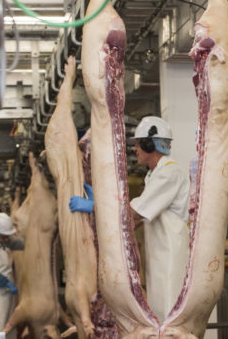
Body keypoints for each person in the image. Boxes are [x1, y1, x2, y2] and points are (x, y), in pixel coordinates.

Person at [70, 116, 190, 322]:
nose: (134, 149)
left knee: (170, 320)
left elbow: (134, 214)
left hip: (170, 261)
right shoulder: (154, 175)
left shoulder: (169, 173)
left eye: (138, 144)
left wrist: (95, 206)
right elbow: (135, 221)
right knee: (159, 320)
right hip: (159, 259)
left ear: (150, 144)